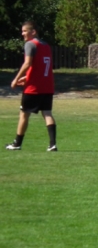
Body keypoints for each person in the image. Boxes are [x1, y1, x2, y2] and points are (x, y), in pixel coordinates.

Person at [5, 21, 57, 152]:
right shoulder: (46, 45)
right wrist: (26, 78)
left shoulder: (30, 44)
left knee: (24, 114)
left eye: (24, 31)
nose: (22, 34)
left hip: (33, 89)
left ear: (33, 32)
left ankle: (17, 144)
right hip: (47, 86)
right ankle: (52, 144)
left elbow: (27, 63)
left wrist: (16, 79)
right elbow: (40, 68)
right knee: (47, 113)